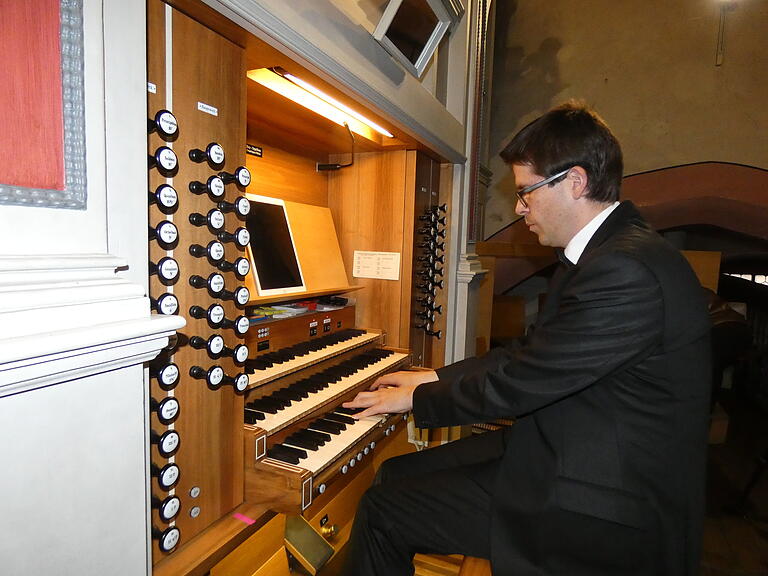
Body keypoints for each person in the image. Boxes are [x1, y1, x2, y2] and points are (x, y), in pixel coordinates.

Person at [341, 102, 712, 576]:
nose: (519, 209)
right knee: (396, 474)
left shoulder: (624, 269)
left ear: (575, 182)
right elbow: (531, 353)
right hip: (574, 443)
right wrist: (433, 374)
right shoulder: (606, 254)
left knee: (385, 511)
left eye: (526, 193)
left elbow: (526, 379)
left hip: (602, 495)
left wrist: (420, 398)